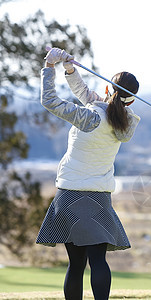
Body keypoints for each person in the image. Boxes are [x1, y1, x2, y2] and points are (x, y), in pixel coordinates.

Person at [36, 47, 140, 300]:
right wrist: (70, 70)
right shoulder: (125, 121)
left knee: (76, 265)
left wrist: (50, 67)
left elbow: (49, 101)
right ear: (132, 100)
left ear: (107, 90)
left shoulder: (89, 117)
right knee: (98, 261)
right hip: (99, 198)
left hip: (70, 194)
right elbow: (87, 96)